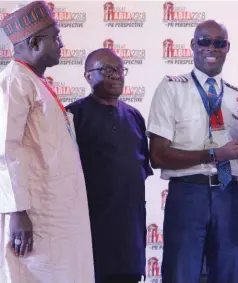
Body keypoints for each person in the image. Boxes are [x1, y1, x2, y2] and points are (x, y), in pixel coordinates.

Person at [147, 19, 238, 283]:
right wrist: (214, 155)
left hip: (229, 193)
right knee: (180, 274)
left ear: (227, 47)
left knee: (228, 275)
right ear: (192, 45)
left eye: (219, 43)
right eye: (205, 41)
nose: (212, 47)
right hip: (188, 194)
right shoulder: (171, 88)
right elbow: (158, 156)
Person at [0, 1, 95, 283]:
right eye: (56, 37)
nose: (61, 44)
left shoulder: (35, 81)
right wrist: (17, 211)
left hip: (56, 211)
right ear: (35, 43)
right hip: (35, 215)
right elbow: (5, 149)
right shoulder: (14, 82)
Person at [65, 48, 152, 283]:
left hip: (129, 238)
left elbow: (140, 171)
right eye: (107, 70)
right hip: (90, 235)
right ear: (87, 76)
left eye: (120, 70)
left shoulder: (134, 116)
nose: (116, 75)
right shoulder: (73, 116)